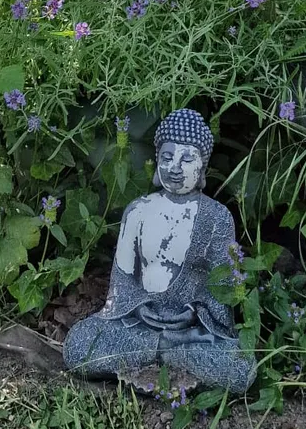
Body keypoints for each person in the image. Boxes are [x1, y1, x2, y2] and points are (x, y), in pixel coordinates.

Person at [63, 108, 256, 392]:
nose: (175, 167)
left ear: (202, 165)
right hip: (138, 324)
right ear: (157, 162)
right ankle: (162, 350)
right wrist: (140, 307)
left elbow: (221, 290)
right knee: (78, 345)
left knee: (241, 367)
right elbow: (121, 288)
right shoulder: (138, 211)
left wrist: (194, 312)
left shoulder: (217, 217)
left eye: (186, 158)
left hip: (191, 332)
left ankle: (163, 352)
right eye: (167, 157)